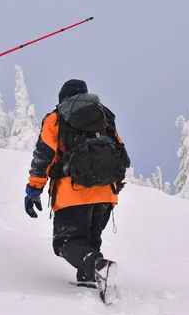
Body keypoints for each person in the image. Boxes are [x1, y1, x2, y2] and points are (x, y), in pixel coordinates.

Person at [24, 79, 130, 295]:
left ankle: (95, 266)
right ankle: (90, 281)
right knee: (91, 241)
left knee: (66, 243)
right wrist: (115, 185)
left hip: (72, 193)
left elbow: (43, 157)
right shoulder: (104, 116)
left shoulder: (56, 118)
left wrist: (34, 190)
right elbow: (121, 154)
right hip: (106, 193)